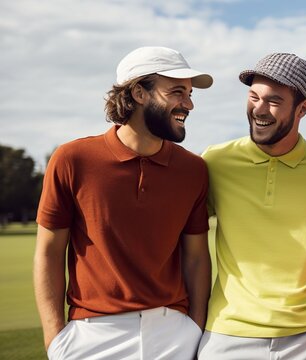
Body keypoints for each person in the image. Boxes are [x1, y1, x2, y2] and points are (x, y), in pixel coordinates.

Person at [34, 46, 213, 360]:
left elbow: (196, 258)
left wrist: (195, 328)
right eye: (176, 92)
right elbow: (49, 251)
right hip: (92, 336)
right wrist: (55, 339)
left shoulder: (194, 169)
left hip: (175, 334)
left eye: (189, 93)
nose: (188, 103)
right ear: (139, 93)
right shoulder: (72, 159)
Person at [198, 53, 306, 360]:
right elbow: (187, 244)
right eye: (253, 96)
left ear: (303, 108)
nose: (259, 109)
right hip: (228, 331)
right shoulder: (215, 162)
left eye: (274, 101)